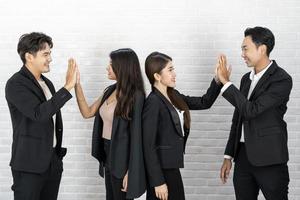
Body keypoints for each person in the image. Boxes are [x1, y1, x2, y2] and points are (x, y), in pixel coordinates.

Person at [218, 27, 292, 200]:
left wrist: (226, 83)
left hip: (270, 159)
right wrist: (228, 156)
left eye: (245, 48)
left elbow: (252, 110)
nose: (242, 54)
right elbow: (238, 118)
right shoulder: (246, 78)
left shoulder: (281, 79)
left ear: (262, 49)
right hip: (243, 157)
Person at [5, 32, 77, 200]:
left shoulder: (47, 83)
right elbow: (38, 114)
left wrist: (57, 157)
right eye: (45, 54)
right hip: (29, 165)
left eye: (50, 53)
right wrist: (66, 88)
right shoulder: (15, 84)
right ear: (29, 56)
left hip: (52, 162)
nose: (50, 58)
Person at [142, 52, 223, 200]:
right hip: (161, 171)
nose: (175, 74)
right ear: (157, 76)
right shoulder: (153, 102)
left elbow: (204, 102)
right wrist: (158, 182)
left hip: (171, 167)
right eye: (170, 70)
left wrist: (218, 79)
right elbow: (148, 146)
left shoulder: (173, 95)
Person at [74, 48, 146, 199]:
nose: (107, 67)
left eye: (111, 64)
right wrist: (76, 85)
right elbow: (87, 112)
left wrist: (131, 171)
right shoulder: (110, 90)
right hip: (108, 152)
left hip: (123, 157)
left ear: (122, 67)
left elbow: (137, 137)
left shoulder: (136, 96)